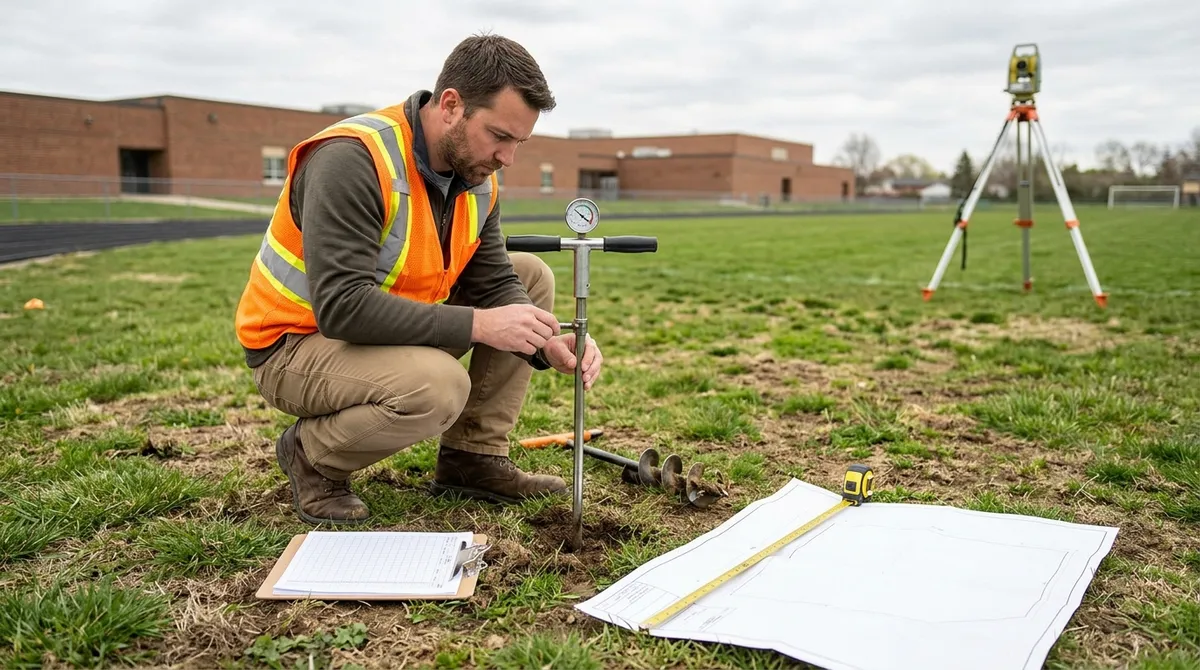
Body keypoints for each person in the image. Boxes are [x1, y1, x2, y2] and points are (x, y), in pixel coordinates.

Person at [233, 33, 603, 526]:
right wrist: (479, 325)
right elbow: (342, 307)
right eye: (499, 136)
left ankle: (472, 458)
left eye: (519, 142)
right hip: (296, 345)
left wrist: (545, 342)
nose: (507, 157)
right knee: (438, 387)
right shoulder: (352, 160)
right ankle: (311, 456)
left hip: (379, 329)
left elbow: (496, 282)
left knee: (529, 276)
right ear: (451, 105)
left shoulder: (476, 176)